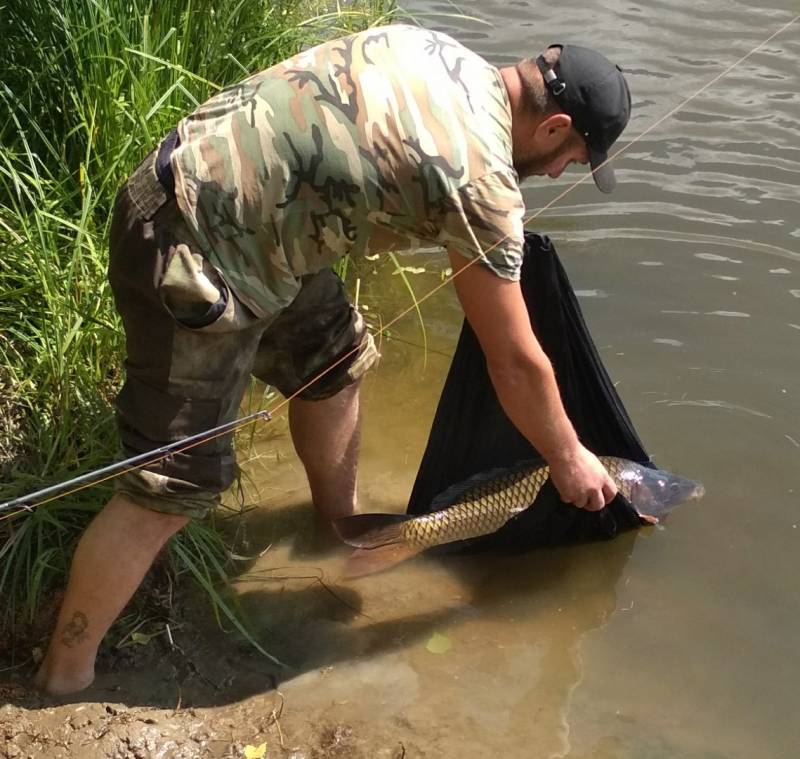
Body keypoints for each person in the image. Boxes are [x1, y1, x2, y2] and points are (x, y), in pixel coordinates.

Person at [35, 23, 632, 695]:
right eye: (572, 158)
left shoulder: (438, 51)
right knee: (171, 490)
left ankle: (338, 533)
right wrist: (568, 457)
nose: (557, 174)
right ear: (553, 127)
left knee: (335, 357)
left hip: (211, 204)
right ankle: (60, 679)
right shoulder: (482, 177)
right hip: (190, 253)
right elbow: (516, 365)